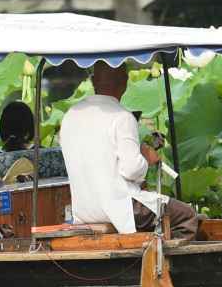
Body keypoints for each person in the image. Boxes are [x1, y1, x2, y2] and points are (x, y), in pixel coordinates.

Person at [58, 61, 199, 238]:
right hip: (120, 206)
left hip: (84, 210)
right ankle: (164, 263)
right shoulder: (122, 117)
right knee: (187, 215)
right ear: (124, 82)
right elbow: (132, 170)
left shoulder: (70, 116)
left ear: (93, 81)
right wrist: (146, 158)